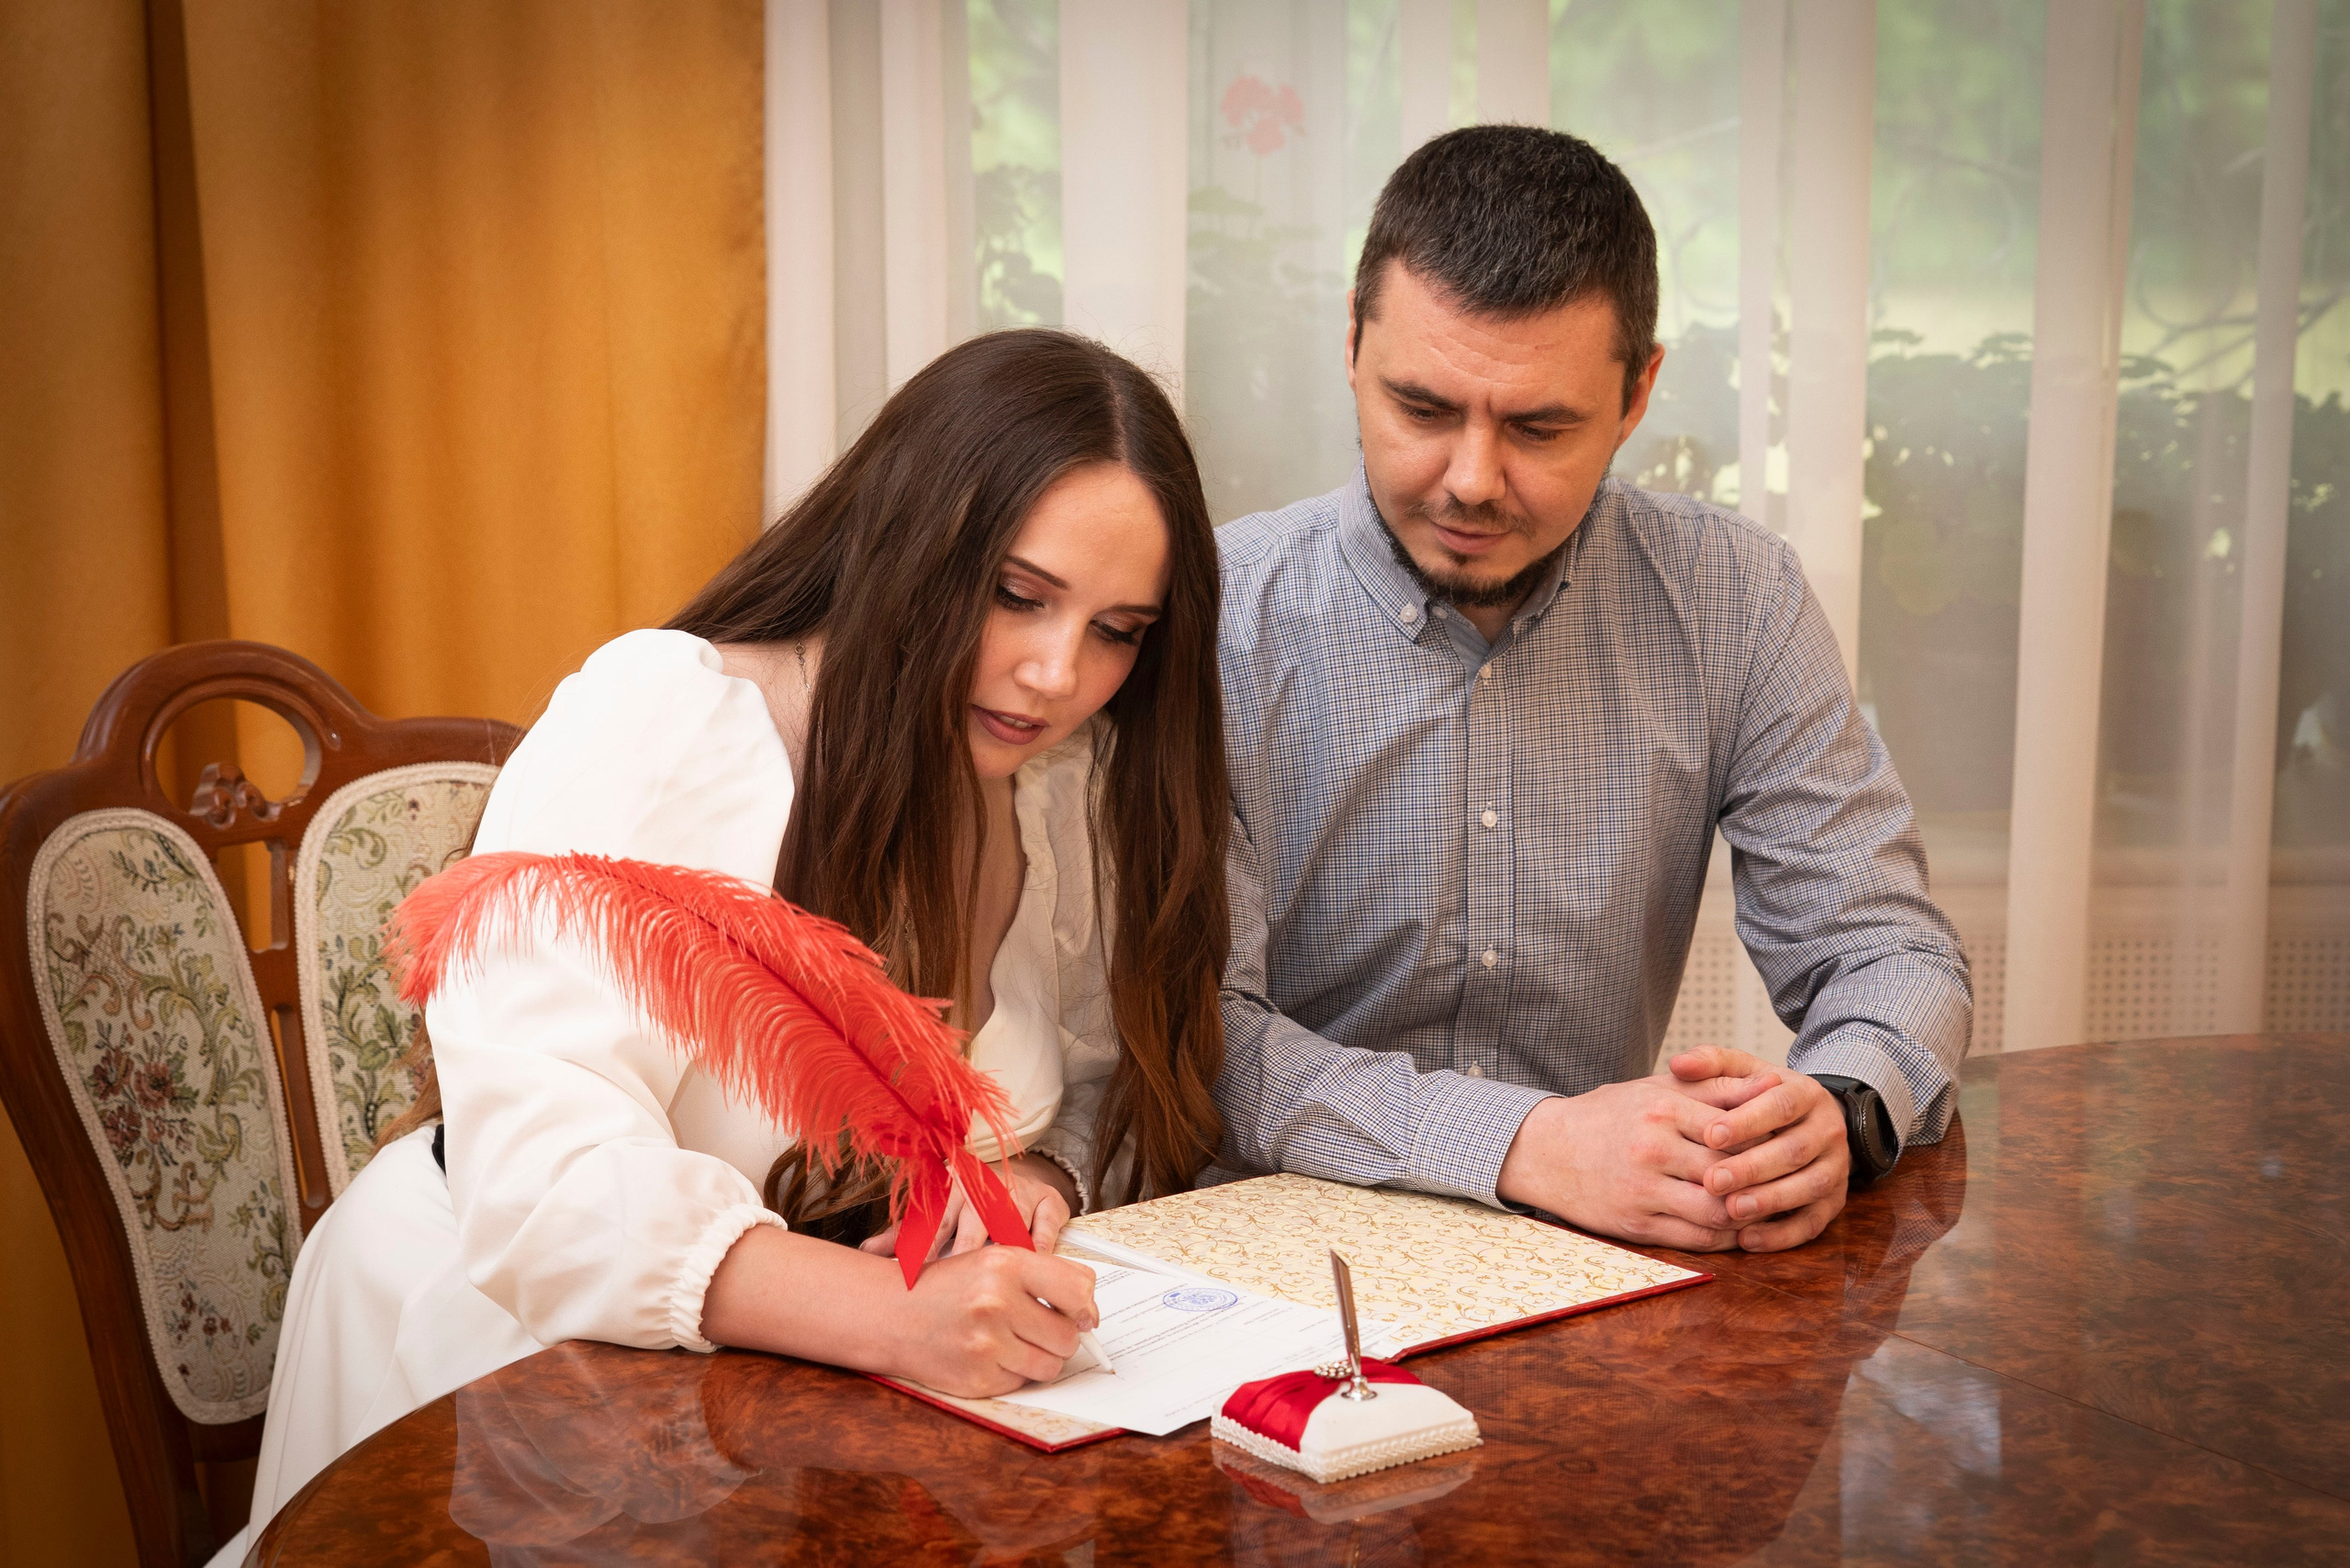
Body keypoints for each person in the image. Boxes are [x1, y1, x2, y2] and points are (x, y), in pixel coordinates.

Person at [223, 330, 1231, 1553]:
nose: (1057, 672)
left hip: (821, 1416)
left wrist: (1036, 1175)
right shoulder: (669, 722)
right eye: (1017, 595)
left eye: (1119, 630)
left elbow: (1099, 1074)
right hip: (518, 1362)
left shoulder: (1057, 785)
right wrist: (890, 1317)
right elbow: (548, 1180)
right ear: (907, 539)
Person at [1212, 125, 1971, 1253]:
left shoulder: (1734, 597)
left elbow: (1888, 953)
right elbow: (1192, 1038)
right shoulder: (1218, 613)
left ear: (1637, 393)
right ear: (1352, 351)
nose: (1470, 480)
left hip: (1596, 1272)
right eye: (1421, 409)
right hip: (1259, 1259)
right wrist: (1524, 1144)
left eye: (1538, 427)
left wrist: (1838, 1109)